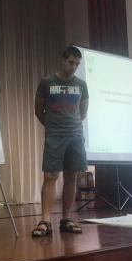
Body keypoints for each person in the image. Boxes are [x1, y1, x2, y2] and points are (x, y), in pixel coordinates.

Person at [32, 45, 89, 237]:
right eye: (71, 62)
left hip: (75, 136)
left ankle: (66, 219)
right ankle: (45, 221)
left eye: (77, 64)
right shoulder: (47, 82)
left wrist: (71, 126)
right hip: (54, 136)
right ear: (62, 60)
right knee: (50, 176)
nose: (73, 67)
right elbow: (38, 110)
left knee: (71, 176)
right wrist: (52, 126)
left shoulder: (81, 85)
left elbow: (83, 112)